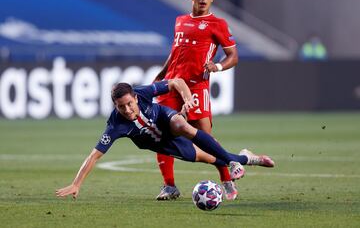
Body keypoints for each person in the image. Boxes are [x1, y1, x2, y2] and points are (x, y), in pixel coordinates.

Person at [56, 79, 274, 199]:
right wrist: (76, 184)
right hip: (165, 144)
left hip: (167, 120)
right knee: (212, 158)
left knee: (182, 125)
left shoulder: (142, 92)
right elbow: (94, 156)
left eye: (130, 103)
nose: (128, 109)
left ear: (134, 97)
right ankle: (247, 158)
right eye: (121, 107)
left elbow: (176, 82)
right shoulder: (115, 125)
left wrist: (188, 101)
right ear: (115, 106)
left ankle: (233, 161)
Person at [153, 0, 239, 200]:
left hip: (197, 87)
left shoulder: (217, 24)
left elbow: (233, 56)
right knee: (162, 135)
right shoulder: (180, 21)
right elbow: (174, 51)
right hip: (172, 85)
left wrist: (217, 66)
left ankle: (226, 178)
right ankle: (169, 186)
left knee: (204, 138)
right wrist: (162, 74)